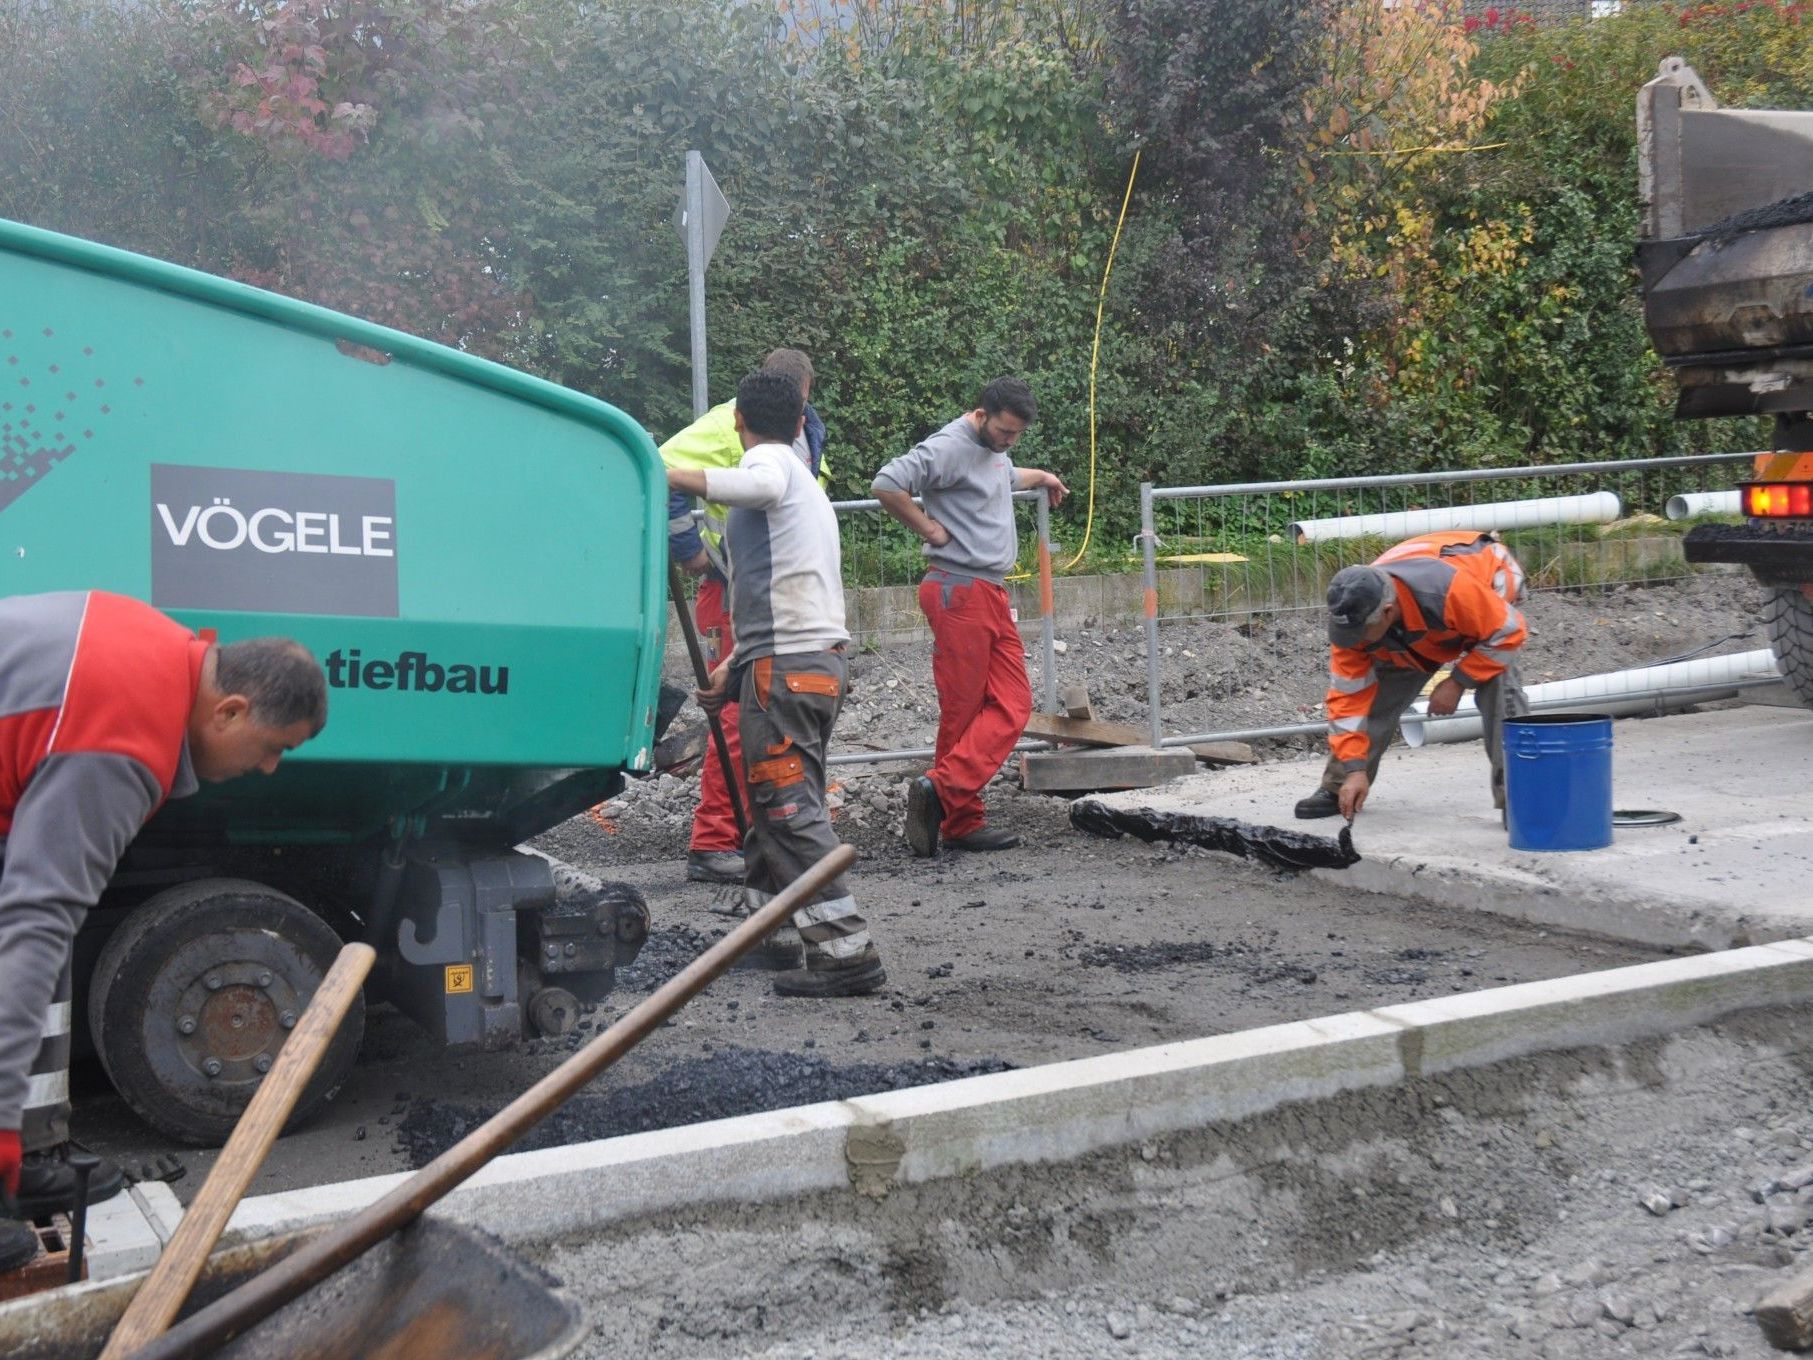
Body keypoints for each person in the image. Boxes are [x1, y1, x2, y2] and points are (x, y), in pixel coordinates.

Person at [0, 590, 327, 1270]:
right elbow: (30, 928)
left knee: (52, 921)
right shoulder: (123, 739)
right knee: (34, 933)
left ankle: (24, 1160)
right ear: (230, 709)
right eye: (272, 748)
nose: (268, 769)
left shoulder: (158, 648)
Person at [666, 372, 886, 998]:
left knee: (788, 810)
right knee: (772, 806)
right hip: (801, 663)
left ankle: (847, 953)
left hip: (786, 670)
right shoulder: (805, 489)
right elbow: (772, 594)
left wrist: (671, 477)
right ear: (800, 423)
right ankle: (771, 934)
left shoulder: (772, 466)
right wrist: (731, 670)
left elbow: (756, 480)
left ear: (739, 423)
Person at [871, 377, 1068, 857]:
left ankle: (944, 795)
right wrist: (927, 527)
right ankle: (956, 811)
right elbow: (886, 482)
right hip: (959, 590)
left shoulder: (991, 450)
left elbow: (1002, 475)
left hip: (987, 591)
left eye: (1016, 435)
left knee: (1013, 703)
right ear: (980, 414)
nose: (1008, 441)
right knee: (964, 711)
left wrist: (1040, 474)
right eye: (1004, 432)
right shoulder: (950, 445)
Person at [662, 349, 830, 887]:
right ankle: (717, 840)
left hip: (767, 603)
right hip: (737, 592)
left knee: (762, 727)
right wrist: (689, 547)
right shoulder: (762, 450)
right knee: (741, 724)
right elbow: (662, 472)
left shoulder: (800, 439)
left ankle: (762, 844)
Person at [1295, 531, 1529, 821]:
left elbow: (1508, 632)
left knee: (1499, 684)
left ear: (1388, 612)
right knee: (1375, 698)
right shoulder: (1357, 618)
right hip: (1423, 622)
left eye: (1361, 633)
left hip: (1488, 593)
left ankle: (1522, 798)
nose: (1354, 641)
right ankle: (1343, 786)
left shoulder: (1449, 590)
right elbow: (1347, 702)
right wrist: (1354, 769)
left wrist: (1458, 681)